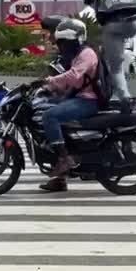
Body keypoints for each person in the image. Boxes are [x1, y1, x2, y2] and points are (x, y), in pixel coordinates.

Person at [38, 18, 99, 193]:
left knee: (49, 116)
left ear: (77, 39)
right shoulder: (77, 55)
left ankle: (64, 159)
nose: (62, 46)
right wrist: (47, 88)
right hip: (79, 97)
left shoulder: (87, 54)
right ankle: (60, 179)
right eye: (61, 42)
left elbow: (73, 76)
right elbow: (68, 81)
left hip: (89, 101)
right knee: (45, 110)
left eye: (65, 42)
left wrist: (50, 81)